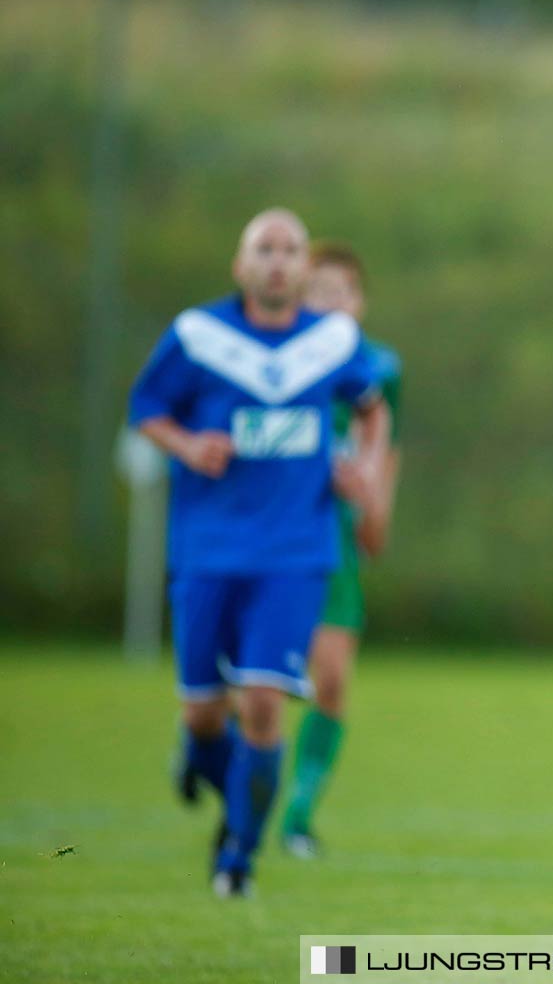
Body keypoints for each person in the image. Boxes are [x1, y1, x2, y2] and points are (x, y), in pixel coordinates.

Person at [130, 209, 390, 896]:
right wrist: (187, 445)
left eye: (290, 250)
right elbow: (146, 407)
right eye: (264, 249)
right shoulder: (199, 336)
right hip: (207, 550)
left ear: (305, 271)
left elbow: (371, 407)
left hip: (295, 553)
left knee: (265, 706)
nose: (277, 260)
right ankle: (213, 773)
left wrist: (363, 466)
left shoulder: (332, 342)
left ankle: (237, 858)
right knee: (203, 715)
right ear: (241, 266)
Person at [280, 241, 404, 858]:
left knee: (329, 682)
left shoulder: (379, 369)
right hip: (272, 541)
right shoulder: (277, 360)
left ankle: (297, 816)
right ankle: (204, 740)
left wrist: (375, 507)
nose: (329, 305)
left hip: (334, 543)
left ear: (358, 303)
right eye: (316, 293)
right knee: (259, 683)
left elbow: (384, 448)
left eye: (341, 294)